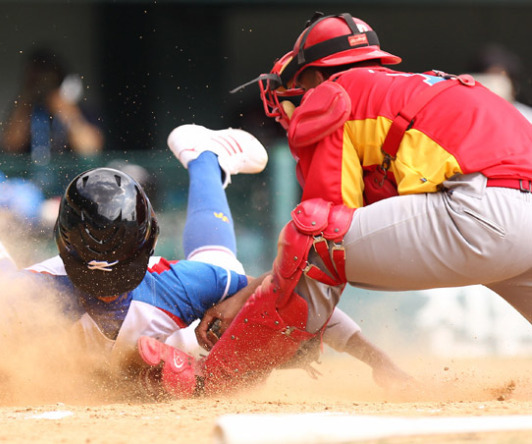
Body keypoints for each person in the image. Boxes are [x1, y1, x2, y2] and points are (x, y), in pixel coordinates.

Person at [144, 12, 532, 397]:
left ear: (315, 73)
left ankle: (212, 380)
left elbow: (315, 242)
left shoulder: (333, 93)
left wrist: (248, 298)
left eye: (297, 83)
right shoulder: (412, 88)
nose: (293, 96)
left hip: (479, 212)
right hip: (509, 214)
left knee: (313, 236)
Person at [0, 124, 409, 398]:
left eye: (119, 273)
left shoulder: (177, 285)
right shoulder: (33, 297)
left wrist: (378, 360)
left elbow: (296, 293)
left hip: (181, 311)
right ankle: (205, 157)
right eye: (93, 275)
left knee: (224, 287)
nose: (107, 288)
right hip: (14, 292)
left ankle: (204, 156)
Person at [1, 48, 104, 159]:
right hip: (30, 174)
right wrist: (27, 99)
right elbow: (9, 146)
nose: (43, 87)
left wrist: (65, 110)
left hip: (70, 173)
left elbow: (90, 148)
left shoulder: (79, 109)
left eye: (49, 81)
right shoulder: (25, 109)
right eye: (36, 80)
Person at [468, 43, 532, 123]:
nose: (495, 86)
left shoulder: (528, 120)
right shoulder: (465, 115)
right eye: (489, 79)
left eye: (502, 80)